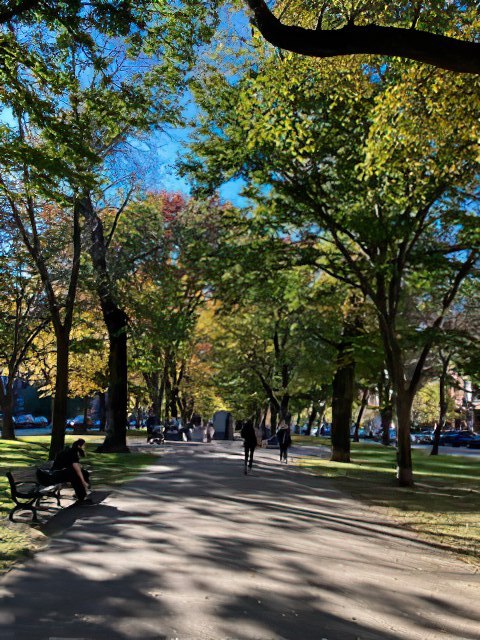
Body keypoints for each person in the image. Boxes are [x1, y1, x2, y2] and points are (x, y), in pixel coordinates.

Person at [51, 439, 91, 504]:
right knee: (77, 476)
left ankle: (82, 494)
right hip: (57, 474)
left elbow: (75, 465)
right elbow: (77, 469)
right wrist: (83, 481)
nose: (84, 447)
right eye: (83, 445)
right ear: (79, 446)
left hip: (60, 472)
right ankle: (81, 497)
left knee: (84, 473)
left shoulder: (72, 450)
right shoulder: (73, 452)